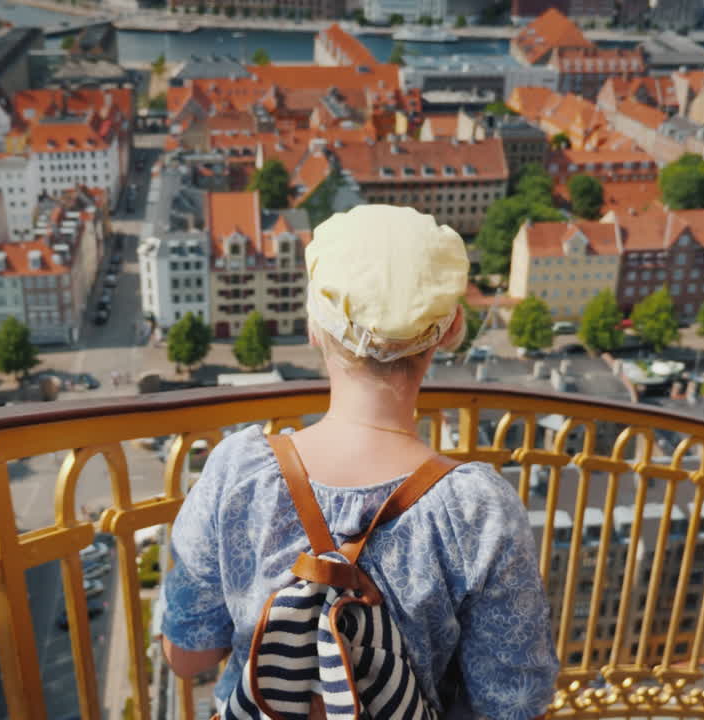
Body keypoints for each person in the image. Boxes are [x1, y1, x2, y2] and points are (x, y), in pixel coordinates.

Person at [159, 205, 558, 718]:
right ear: (452, 328)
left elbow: (188, 657)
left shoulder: (238, 471)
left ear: (314, 326)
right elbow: (512, 705)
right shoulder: (478, 510)